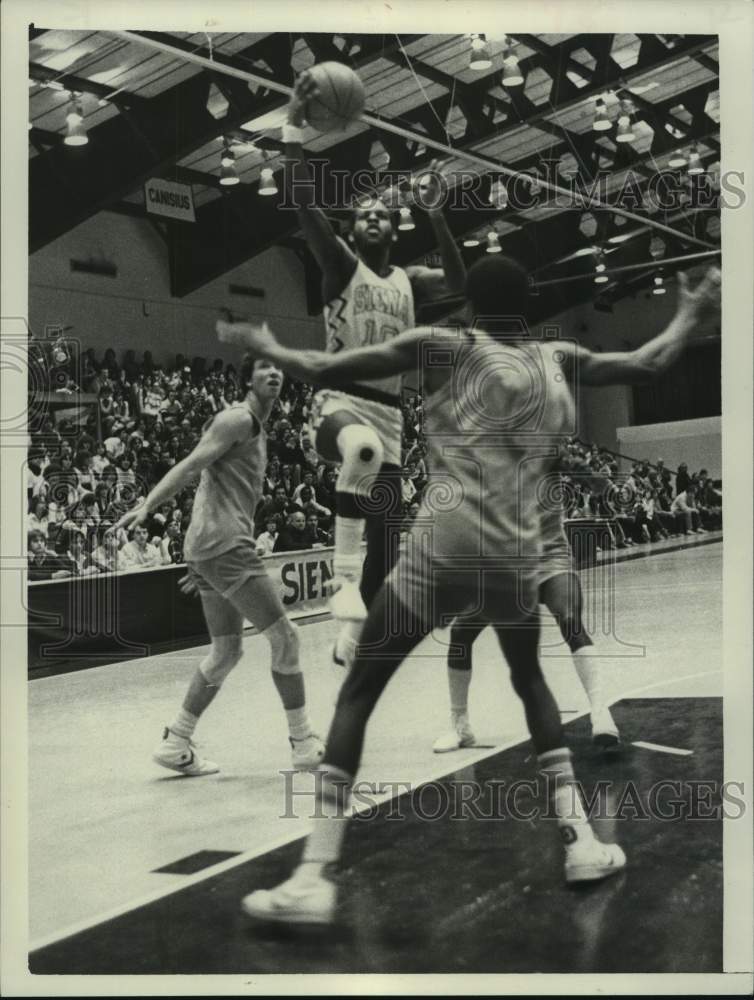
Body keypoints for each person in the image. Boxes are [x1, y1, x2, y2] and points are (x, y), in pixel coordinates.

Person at [222, 258, 720, 924]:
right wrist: (690, 314)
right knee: (530, 683)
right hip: (513, 555)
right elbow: (648, 362)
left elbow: (335, 367)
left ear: (468, 305)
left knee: (360, 691)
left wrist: (269, 347)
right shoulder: (559, 358)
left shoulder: (443, 347)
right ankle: (577, 841)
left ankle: (313, 875)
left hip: (442, 545)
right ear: (531, 305)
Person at [277, 69, 466, 670]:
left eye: (384, 211)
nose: (374, 216)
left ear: (395, 226)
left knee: (388, 549)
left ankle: (349, 638)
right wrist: (292, 126)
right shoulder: (339, 267)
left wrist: (437, 215)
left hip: (391, 415)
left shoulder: (411, 281)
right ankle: (340, 585)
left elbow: (461, 287)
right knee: (356, 452)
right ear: (354, 233)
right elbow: (303, 200)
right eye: (363, 214)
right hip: (337, 406)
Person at [114, 357, 324, 776]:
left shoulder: (258, 429)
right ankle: (303, 742)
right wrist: (147, 505)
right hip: (224, 546)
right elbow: (193, 465)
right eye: (264, 367)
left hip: (210, 548)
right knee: (287, 638)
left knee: (226, 650)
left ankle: (176, 741)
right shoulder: (237, 419)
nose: (275, 373)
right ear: (247, 379)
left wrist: (201, 556)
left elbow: (215, 487)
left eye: (279, 368)